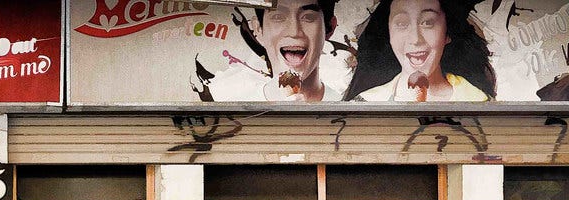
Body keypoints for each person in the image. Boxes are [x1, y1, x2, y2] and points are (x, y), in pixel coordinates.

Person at [344, 0, 496, 102]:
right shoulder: (366, 102)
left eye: (428, 22)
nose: (415, 39)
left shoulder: (479, 101)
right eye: (402, 23)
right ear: (389, 32)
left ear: (448, 32)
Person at [193, 0, 339, 103]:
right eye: (278, 17)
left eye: (308, 17)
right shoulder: (235, 114)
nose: (294, 32)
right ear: (258, 30)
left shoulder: (347, 106)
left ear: (330, 28)